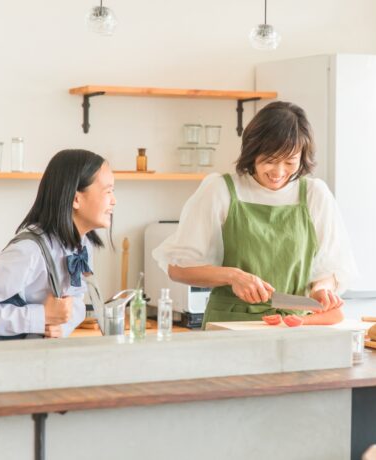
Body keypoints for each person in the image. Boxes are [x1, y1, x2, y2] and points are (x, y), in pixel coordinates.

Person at [153, 101, 356, 328]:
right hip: (230, 325)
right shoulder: (220, 190)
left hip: (294, 325)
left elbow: (330, 268)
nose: (279, 172)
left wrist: (322, 290)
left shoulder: (314, 195)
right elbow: (178, 269)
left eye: (290, 162)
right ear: (253, 150)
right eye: (270, 161)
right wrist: (233, 276)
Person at [0, 149, 116, 338]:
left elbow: (75, 302)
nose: (114, 200)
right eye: (108, 191)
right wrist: (41, 317)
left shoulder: (82, 243)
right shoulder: (28, 251)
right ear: (76, 199)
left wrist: (60, 327)